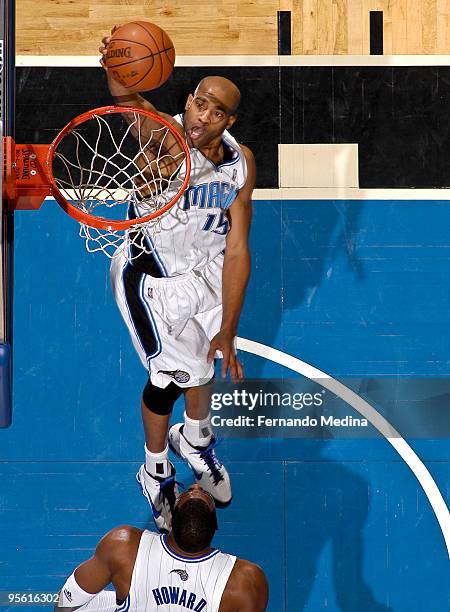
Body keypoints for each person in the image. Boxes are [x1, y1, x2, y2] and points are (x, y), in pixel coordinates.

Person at [99, 28, 256, 533]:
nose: (202, 117)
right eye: (198, 104)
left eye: (215, 112)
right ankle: (155, 468)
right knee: (168, 379)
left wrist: (229, 325)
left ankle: (196, 439)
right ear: (187, 101)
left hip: (206, 271)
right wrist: (114, 62)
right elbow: (128, 99)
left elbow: (237, 248)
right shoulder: (164, 140)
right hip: (152, 281)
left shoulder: (240, 165)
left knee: (206, 360)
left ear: (228, 122)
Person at [55, 484, 268, 612]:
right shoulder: (246, 581)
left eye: (188, 492)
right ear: (215, 527)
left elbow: (66, 602)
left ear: (170, 520)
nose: (196, 485)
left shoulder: (123, 546)